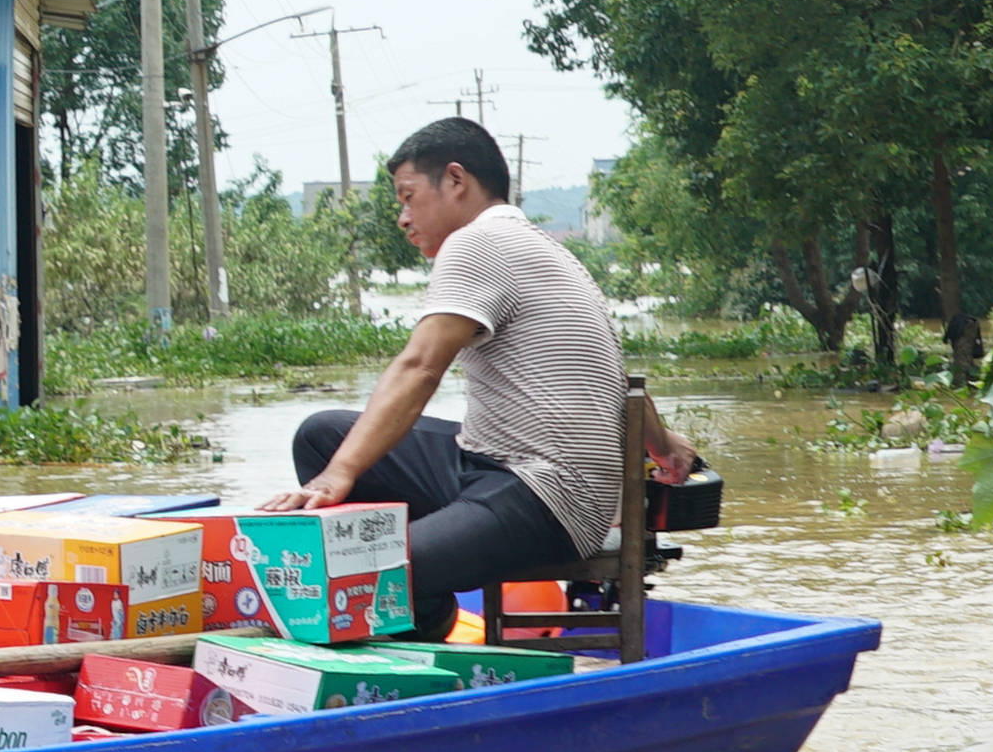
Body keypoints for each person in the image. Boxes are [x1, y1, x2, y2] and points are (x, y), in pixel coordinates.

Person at [262, 116, 699, 635]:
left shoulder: (477, 243)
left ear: (455, 180)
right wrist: (664, 443)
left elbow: (420, 366)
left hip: (543, 493)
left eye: (408, 197)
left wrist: (339, 477)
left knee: (355, 573)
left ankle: (416, 612)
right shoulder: (547, 250)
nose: (403, 218)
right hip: (494, 463)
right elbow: (617, 380)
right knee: (322, 435)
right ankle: (426, 603)